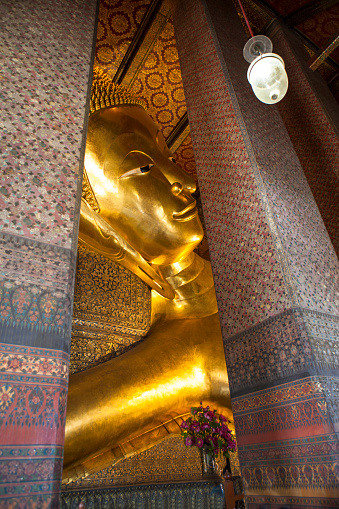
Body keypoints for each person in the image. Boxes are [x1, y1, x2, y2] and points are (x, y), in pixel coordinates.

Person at [62, 69, 232, 483]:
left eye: (169, 160)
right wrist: (188, 366)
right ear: (93, 216)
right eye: (141, 169)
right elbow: (20, 443)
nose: (186, 182)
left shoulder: (238, 274)